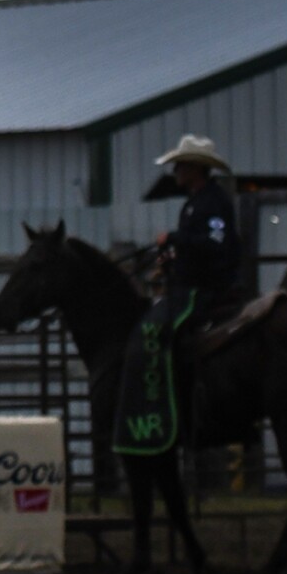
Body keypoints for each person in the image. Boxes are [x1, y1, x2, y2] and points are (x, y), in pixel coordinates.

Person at [115, 136, 245, 459]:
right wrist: (174, 257)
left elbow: (214, 244)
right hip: (190, 284)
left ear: (196, 169)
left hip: (203, 290)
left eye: (181, 165)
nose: (175, 170)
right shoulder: (196, 202)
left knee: (154, 330)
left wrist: (175, 239)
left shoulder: (211, 203)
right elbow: (197, 245)